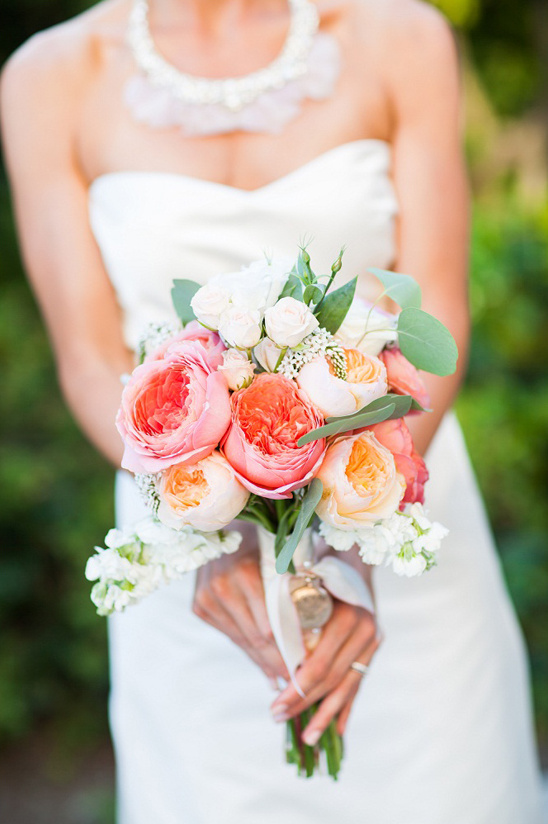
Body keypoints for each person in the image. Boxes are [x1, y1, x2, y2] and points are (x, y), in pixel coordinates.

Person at [1, 0, 545, 821]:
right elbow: (86, 359)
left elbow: (441, 313)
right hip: (195, 565)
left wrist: (349, 535)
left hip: (396, 534)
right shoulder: (49, 76)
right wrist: (214, 528)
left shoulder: (401, 35)